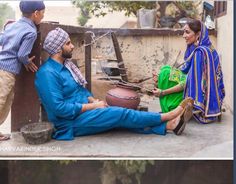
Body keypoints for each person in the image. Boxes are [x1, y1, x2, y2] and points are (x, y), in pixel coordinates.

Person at [35, 27, 194, 140]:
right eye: (68, 43)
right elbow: (59, 109)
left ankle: (169, 126)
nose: (73, 45)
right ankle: (168, 116)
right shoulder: (47, 74)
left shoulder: (66, 67)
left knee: (121, 118)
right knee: (120, 114)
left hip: (84, 112)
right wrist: (92, 107)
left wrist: (92, 100)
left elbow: (80, 90)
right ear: (57, 49)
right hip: (70, 123)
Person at [153, 19, 225, 124]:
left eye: (187, 32)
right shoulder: (204, 47)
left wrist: (163, 92)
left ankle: (175, 110)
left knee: (165, 74)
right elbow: (186, 72)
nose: (183, 35)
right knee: (165, 70)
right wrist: (160, 77)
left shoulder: (200, 53)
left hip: (202, 98)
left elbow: (189, 83)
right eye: (183, 32)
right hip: (213, 95)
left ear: (198, 34)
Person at [0, 1, 45, 141]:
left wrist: (5, 29)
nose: (43, 16)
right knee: (2, 101)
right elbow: (21, 55)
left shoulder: (12, 25)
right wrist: (27, 61)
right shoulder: (31, 32)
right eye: (43, 13)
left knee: (6, 102)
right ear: (36, 14)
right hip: (6, 71)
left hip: (3, 68)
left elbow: (2, 40)